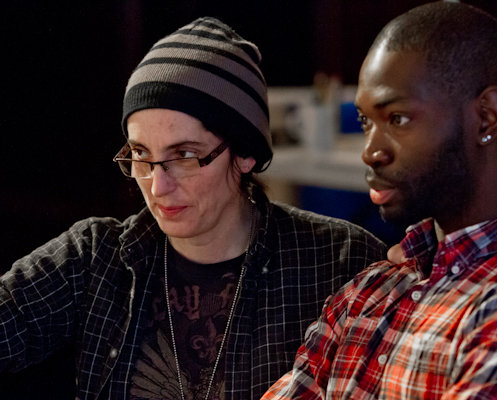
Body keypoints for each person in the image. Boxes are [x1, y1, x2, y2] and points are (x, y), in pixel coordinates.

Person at [0, 17, 387, 400]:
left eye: (184, 155)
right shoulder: (94, 257)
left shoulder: (340, 261)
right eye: (140, 154)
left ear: (245, 153)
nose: (157, 185)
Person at [262, 2, 497, 399]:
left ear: (487, 117)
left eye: (398, 119)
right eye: (367, 122)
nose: (370, 151)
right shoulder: (370, 291)